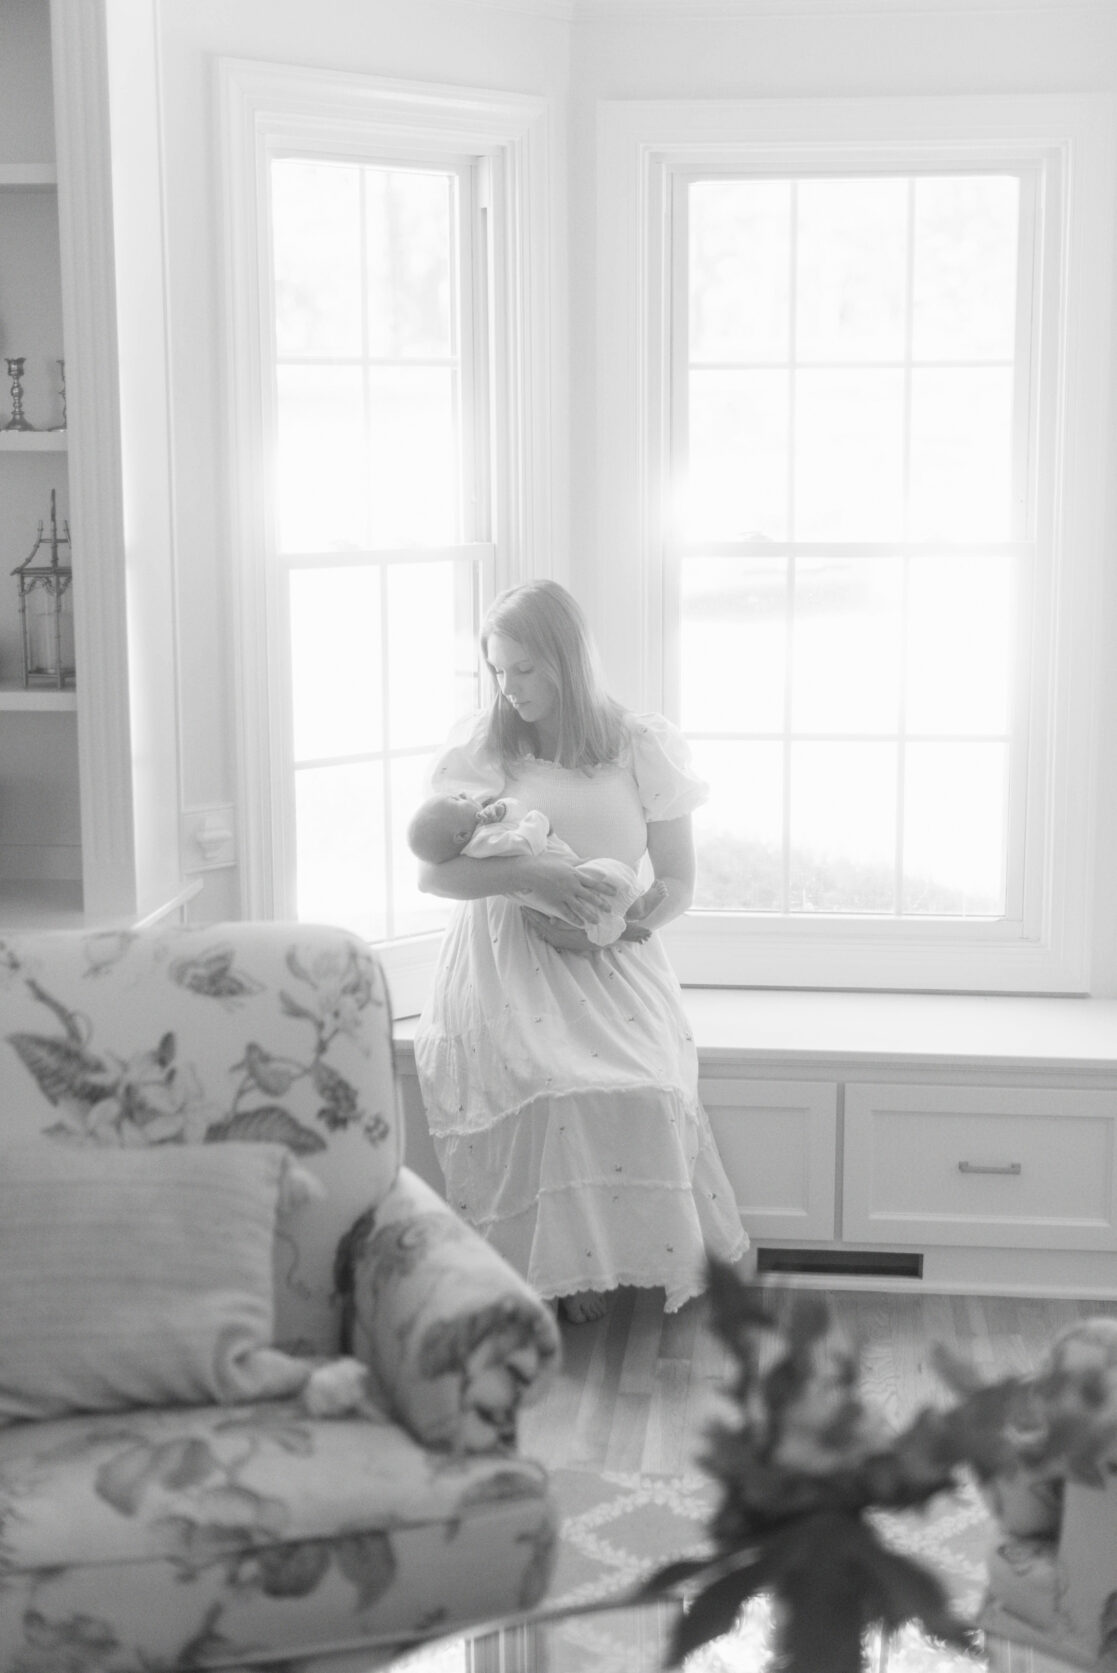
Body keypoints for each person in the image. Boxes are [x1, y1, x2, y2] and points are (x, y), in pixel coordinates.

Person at [412, 579, 749, 1325]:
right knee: (552, 1082)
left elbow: (680, 880)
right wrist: (535, 876)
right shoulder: (487, 746)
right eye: (498, 669)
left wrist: (625, 923)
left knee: (646, 1087)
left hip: (611, 952)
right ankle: (560, 1271)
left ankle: (604, 1254)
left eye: (525, 669)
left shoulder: (639, 744)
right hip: (508, 953)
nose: (510, 687)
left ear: (567, 660)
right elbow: (434, 871)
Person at [406, 788, 665, 947]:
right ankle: (634, 910)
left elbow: (514, 811)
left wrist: (503, 809)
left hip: (547, 898)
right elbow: (524, 845)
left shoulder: (484, 834)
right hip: (561, 879)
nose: (464, 794)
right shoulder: (483, 842)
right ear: (460, 836)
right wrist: (537, 821)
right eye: (456, 800)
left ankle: (616, 930)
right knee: (608, 874)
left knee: (581, 920)